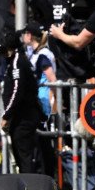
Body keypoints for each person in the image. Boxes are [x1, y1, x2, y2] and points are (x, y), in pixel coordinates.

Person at [0, 29, 43, 174]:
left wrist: (6, 115)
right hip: (20, 116)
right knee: (20, 154)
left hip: (25, 116)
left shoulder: (18, 61)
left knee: (24, 154)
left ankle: (29, 186)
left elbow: (17, 91)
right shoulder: (15, 61)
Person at [22, 21, 58, 178]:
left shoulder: (43, 55)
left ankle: (48, 175)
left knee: (44, 141)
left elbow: (52, 80)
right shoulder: (36, 53)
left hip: (44, 102)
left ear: (29, 35)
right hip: (39, 101)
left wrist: (54, 104)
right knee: (39, 141)